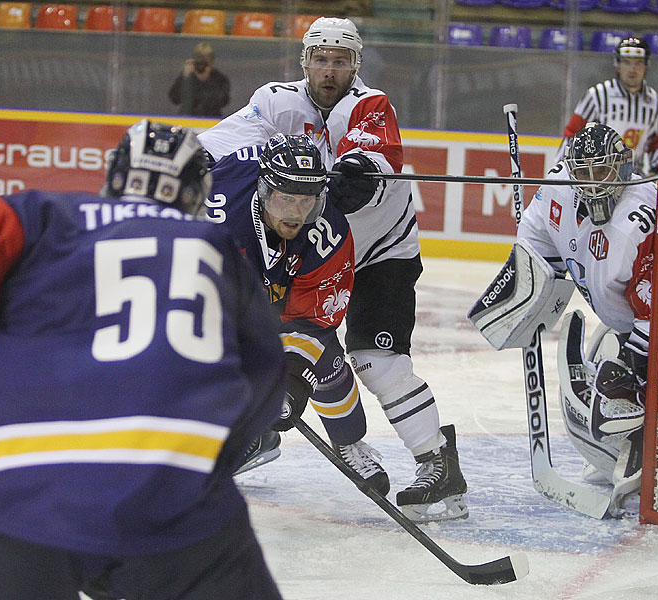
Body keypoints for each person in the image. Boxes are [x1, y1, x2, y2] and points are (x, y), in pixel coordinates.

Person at [0, 119, 286, 599]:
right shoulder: (216, 249)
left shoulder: (46, 217)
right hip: (168, 499)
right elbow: (265, 379)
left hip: (6, 487)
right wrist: (206, 460)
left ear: (110, 180)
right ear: (197, 196)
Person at [196, 17, 467, 522]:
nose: (329, 69)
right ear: (305, 63)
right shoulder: (277, 101)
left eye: (339, 60)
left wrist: (353, 173)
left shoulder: (368, 104)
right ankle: (265, 429)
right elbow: (219, 143)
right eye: (320, 58)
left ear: (354, 65)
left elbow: (367, 164)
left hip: (381, 250)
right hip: (312, 248)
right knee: (282, 334)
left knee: (375, 363)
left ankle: (437, 464)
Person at [507, 122, 658, 512]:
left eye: (601, 171)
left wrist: (633, 370)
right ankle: (645, 455)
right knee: (628, 387)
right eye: (582, 172)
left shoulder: (639, 219)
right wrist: (533, 284)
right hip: (643, 309)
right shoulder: (559, 187)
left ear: (622, 168)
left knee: (638, 394)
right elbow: (534, 235)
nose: (591, 183)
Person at [212, 133, 388, 494]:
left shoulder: (328, 233)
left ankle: (348, 440)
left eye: (307, 201)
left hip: (279, 298)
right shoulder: (219, 215)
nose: (295, 212)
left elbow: (314, 320)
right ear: (264, 192)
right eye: (286, 199)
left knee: (321, 355)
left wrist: (292, 383)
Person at [556, 37, 658, 176]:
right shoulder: (597, 96)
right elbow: (573, 136)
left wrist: (656, 173)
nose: (632, 69)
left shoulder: (656, 102)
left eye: (638, 63)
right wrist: (562, 173)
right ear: (617, 65)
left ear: (646, 66)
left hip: (634, 179)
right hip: (596, 178)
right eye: (627, 62)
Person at [168, 42, 231, 118]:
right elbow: (175, 98)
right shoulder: (187, 76)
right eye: (199, 61)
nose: (202, 65)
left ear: (212, 61)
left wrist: (206, 81)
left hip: (211, 118)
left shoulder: (219, 79)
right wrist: (185, 79)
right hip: (187, 117)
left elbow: (222, 101)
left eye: (205, 62)